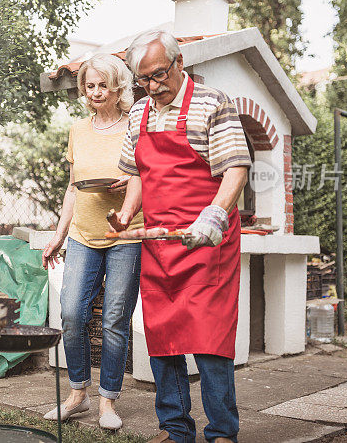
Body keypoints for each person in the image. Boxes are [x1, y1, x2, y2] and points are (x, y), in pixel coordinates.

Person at [109, 30, 251, 443]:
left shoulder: (213, 102)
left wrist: (213, 215)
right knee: (163, 337)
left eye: (158, 76)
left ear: (179, 64)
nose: (153, 87)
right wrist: (126, 213)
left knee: (209, 338)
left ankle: (222, 430)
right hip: (160, 242)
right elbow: (137, 173)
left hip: (207, 239)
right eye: (144, 80)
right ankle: (175, 429)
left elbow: (236, 169)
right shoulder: (139, 112)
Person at [42, 53, 144, 431]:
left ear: (118, 88)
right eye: (90, 86)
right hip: (83, 234)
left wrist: (133, 182)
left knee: (116, 318)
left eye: (103, 85)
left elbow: (151, 177)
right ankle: (77, 393)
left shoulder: (137, 126)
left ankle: (108, 402)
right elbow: (73, 187)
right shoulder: (78, 130)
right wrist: (58, 235)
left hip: (126, 232)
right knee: (72, 314)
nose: (95, 92)